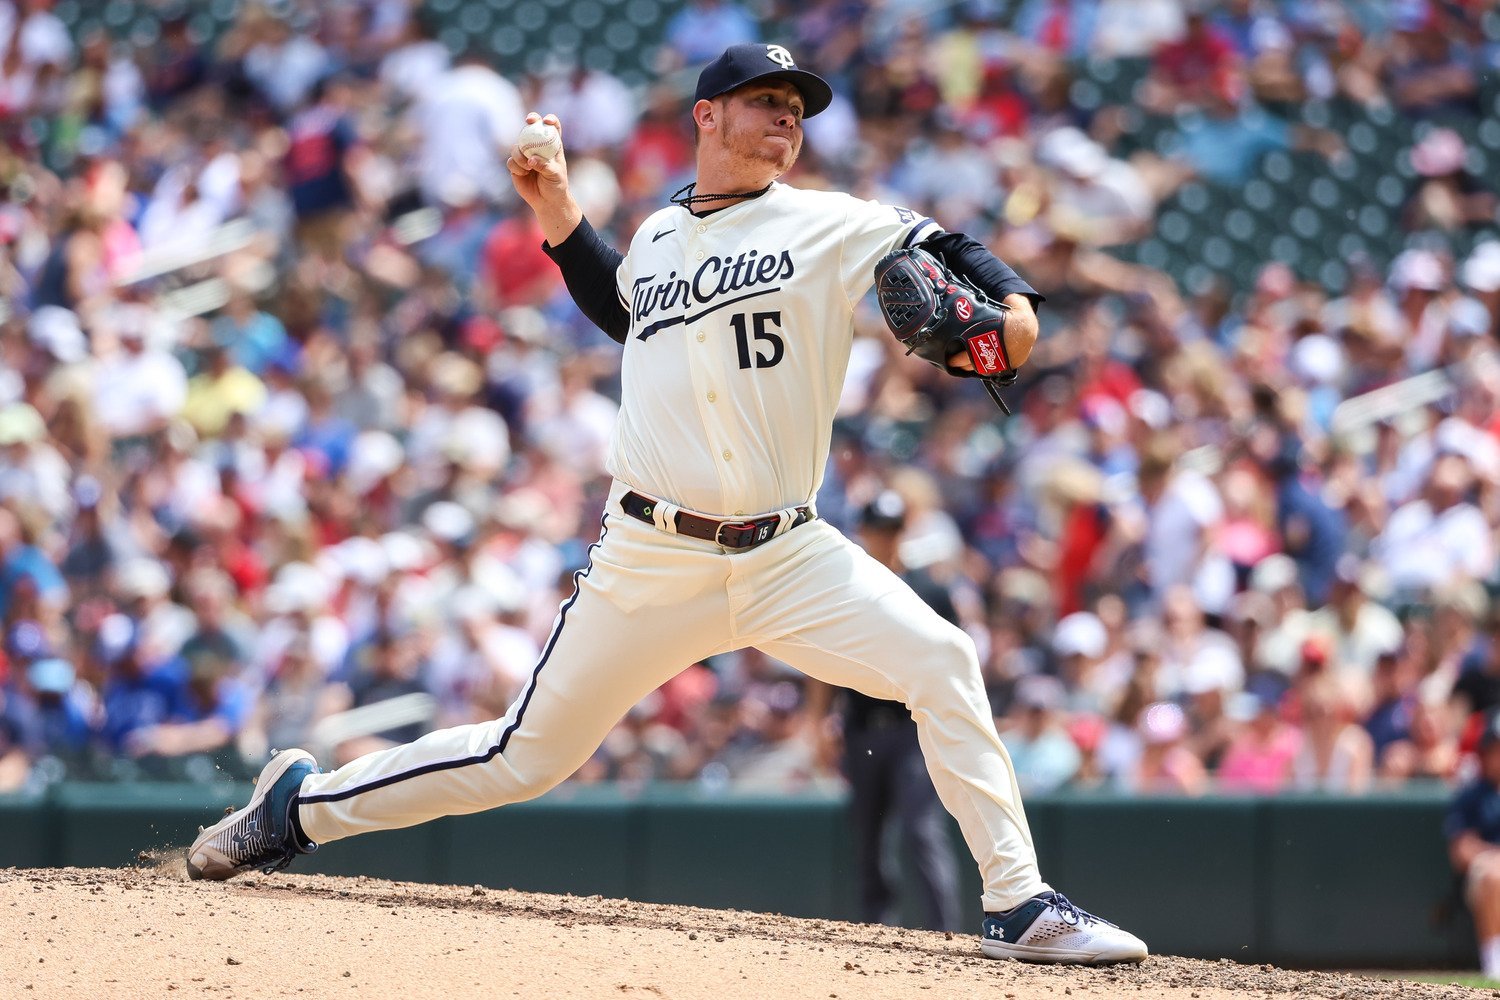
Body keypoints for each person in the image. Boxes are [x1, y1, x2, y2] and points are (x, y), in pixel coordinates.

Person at [187, 43, 1148, 966]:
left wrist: (1012, 313)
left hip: (787, 552)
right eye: (767, 102)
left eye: (797, 107)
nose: (786, 118)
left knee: (943, 658)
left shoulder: (829, 222)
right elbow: (625, 311)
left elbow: (954, 250)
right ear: (707, 115)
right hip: (652, 557)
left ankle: (1019, 903)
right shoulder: (655, 236)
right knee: (524, 760)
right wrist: (560, 213)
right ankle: (300, 807)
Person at [816, 490, 962, 932]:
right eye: (877, 530)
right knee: (870, 839)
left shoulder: (930, 588)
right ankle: (877, 936)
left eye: (892, 530)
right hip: (860, 728)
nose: (884, 539)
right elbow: (824, 656)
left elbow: (958, 657)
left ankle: (947, 934)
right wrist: (818, 721)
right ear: (864, 532)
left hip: (912, 729)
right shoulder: (848, 587)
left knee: (922, 831)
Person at [1445, 709, 1500, 980]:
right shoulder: (1472, 794)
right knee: (1493, 875)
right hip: (1484, 876)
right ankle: (1495, 965)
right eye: (1496, 749)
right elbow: (1461, 850)